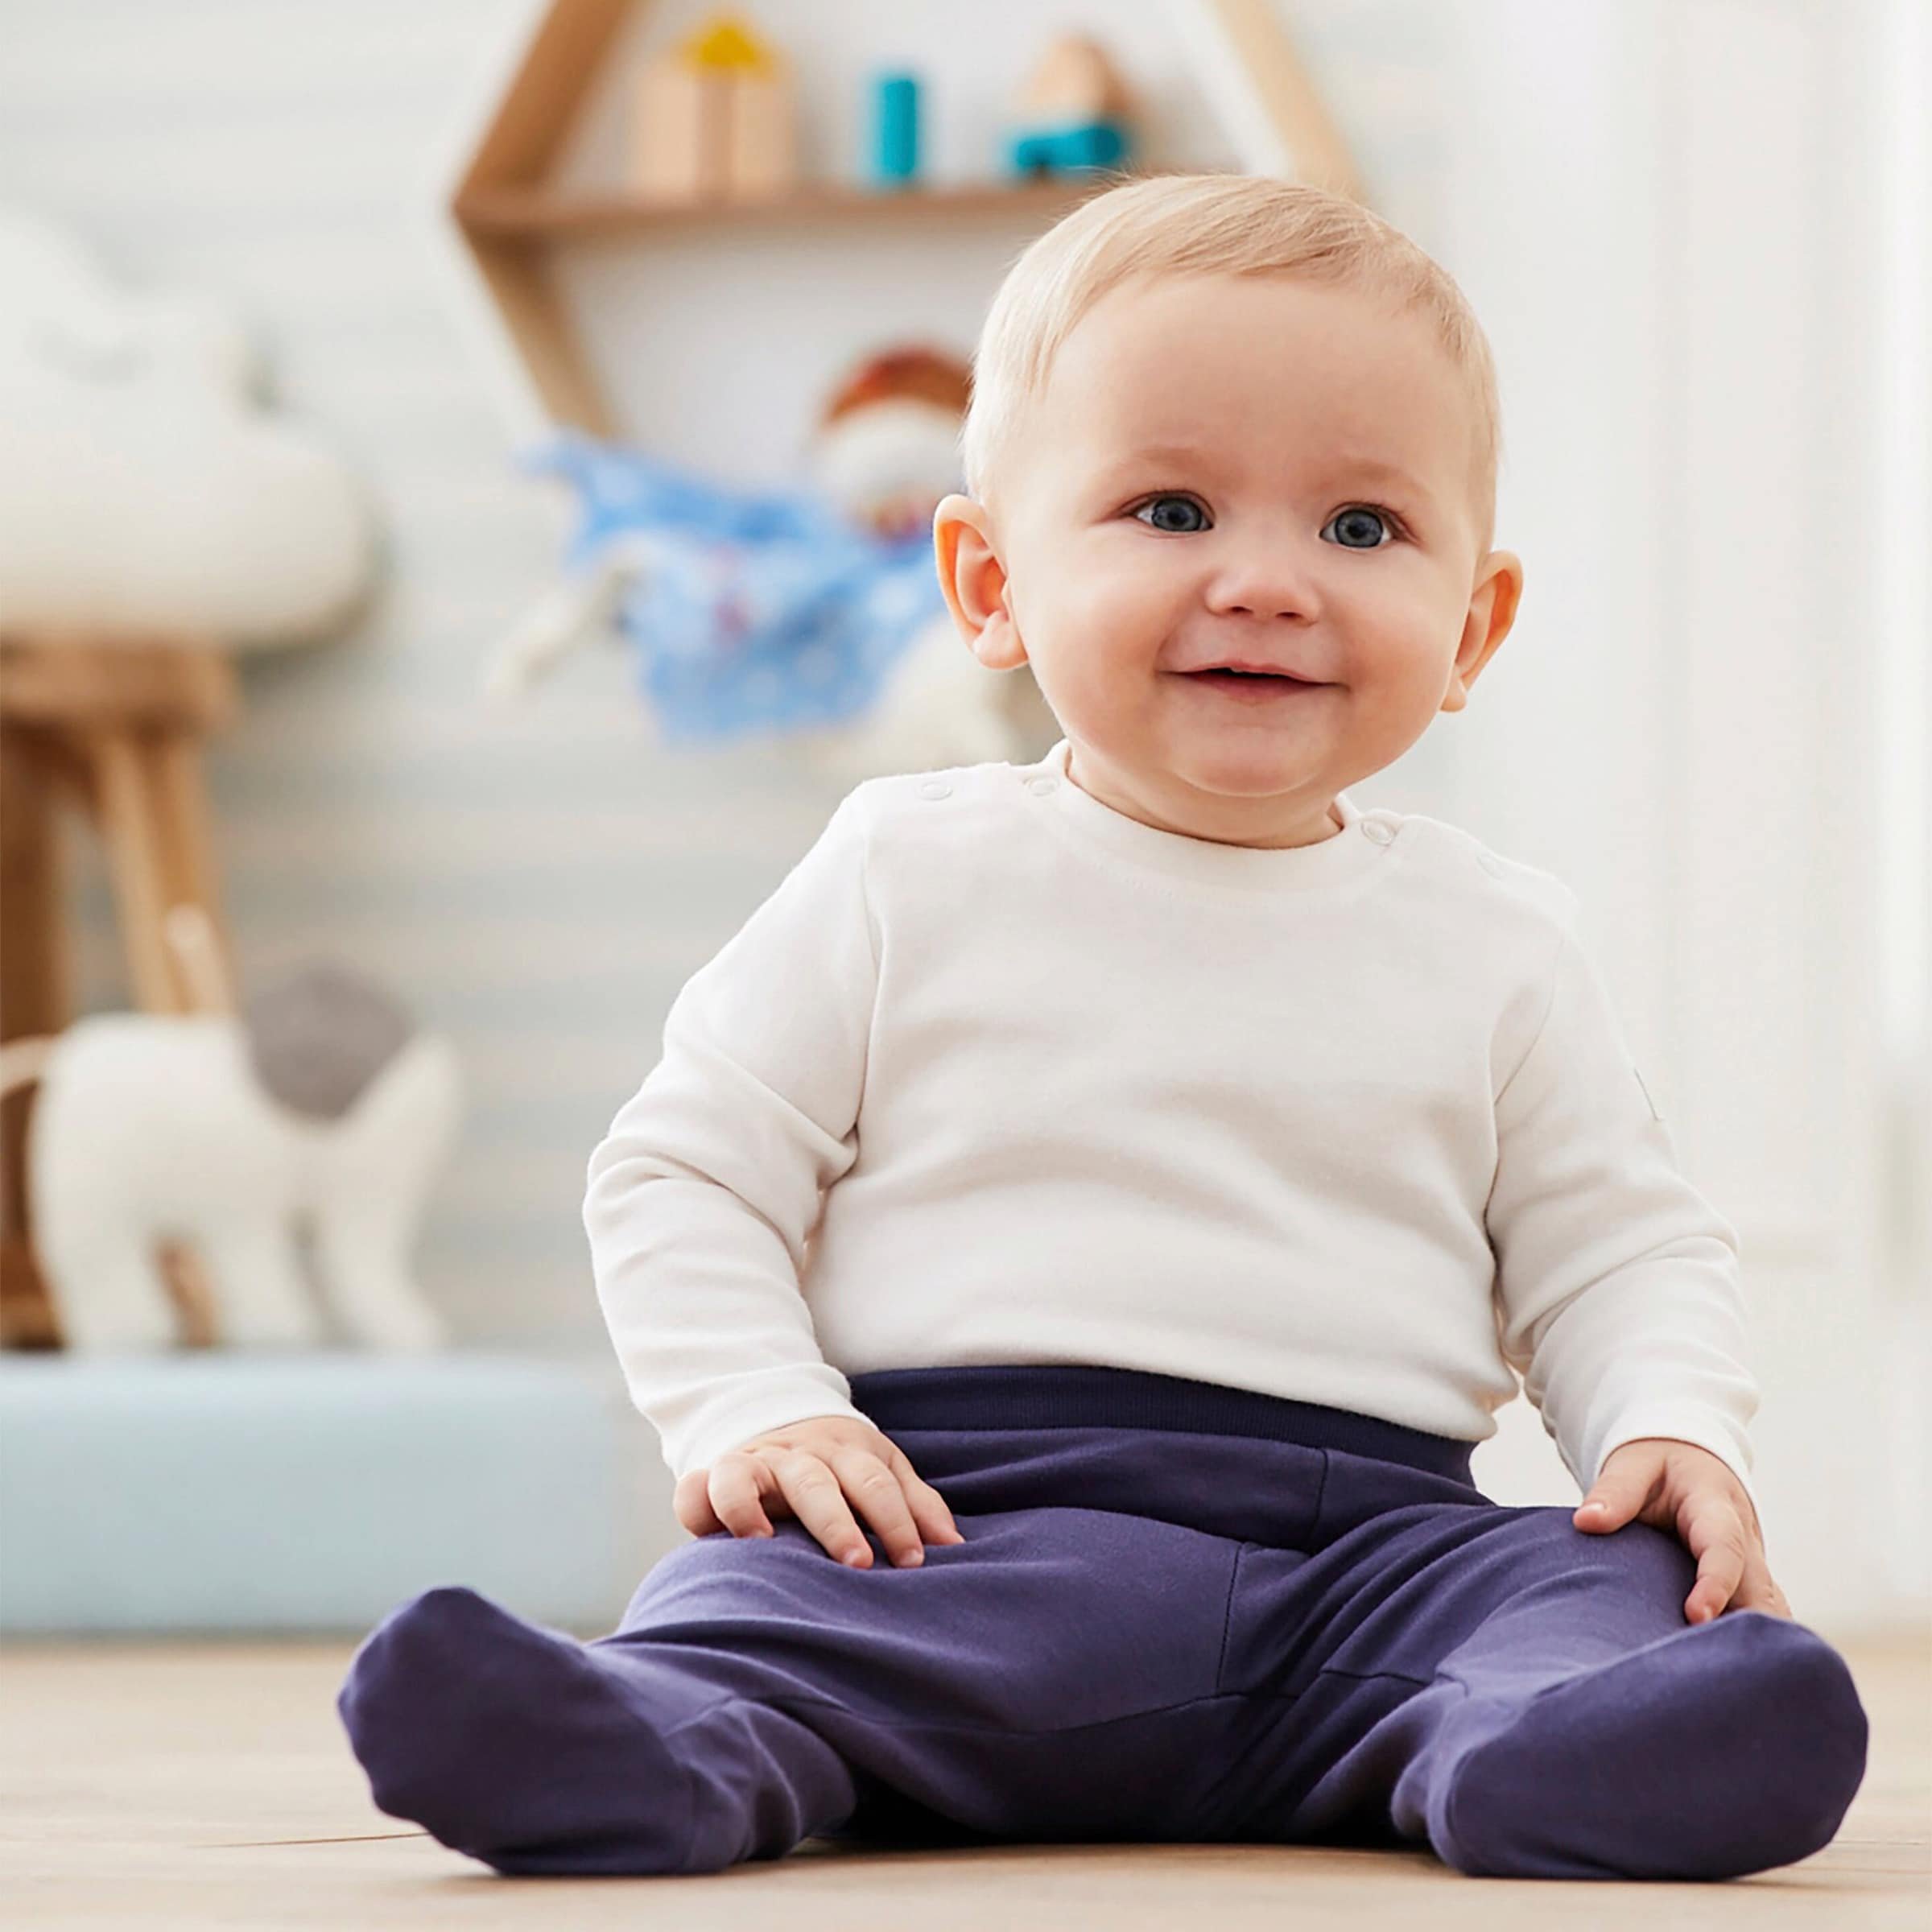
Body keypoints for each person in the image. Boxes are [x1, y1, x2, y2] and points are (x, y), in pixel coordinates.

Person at [336, 171, 1868, 1881]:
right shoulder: (904, 867)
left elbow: (1614, 1245)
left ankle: (1548, 1747)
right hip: (951, 1537)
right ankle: (655, 1746)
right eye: (1170, 509)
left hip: (1363, 1558)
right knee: (752, 1600)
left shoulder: (1499, 942)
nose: (1270, 582)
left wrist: (1668, 1424)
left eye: (1361, 529)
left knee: (1592, 1585)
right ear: (988, 581)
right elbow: (687, 1170)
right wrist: (757, 1409)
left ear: (1473, 628)